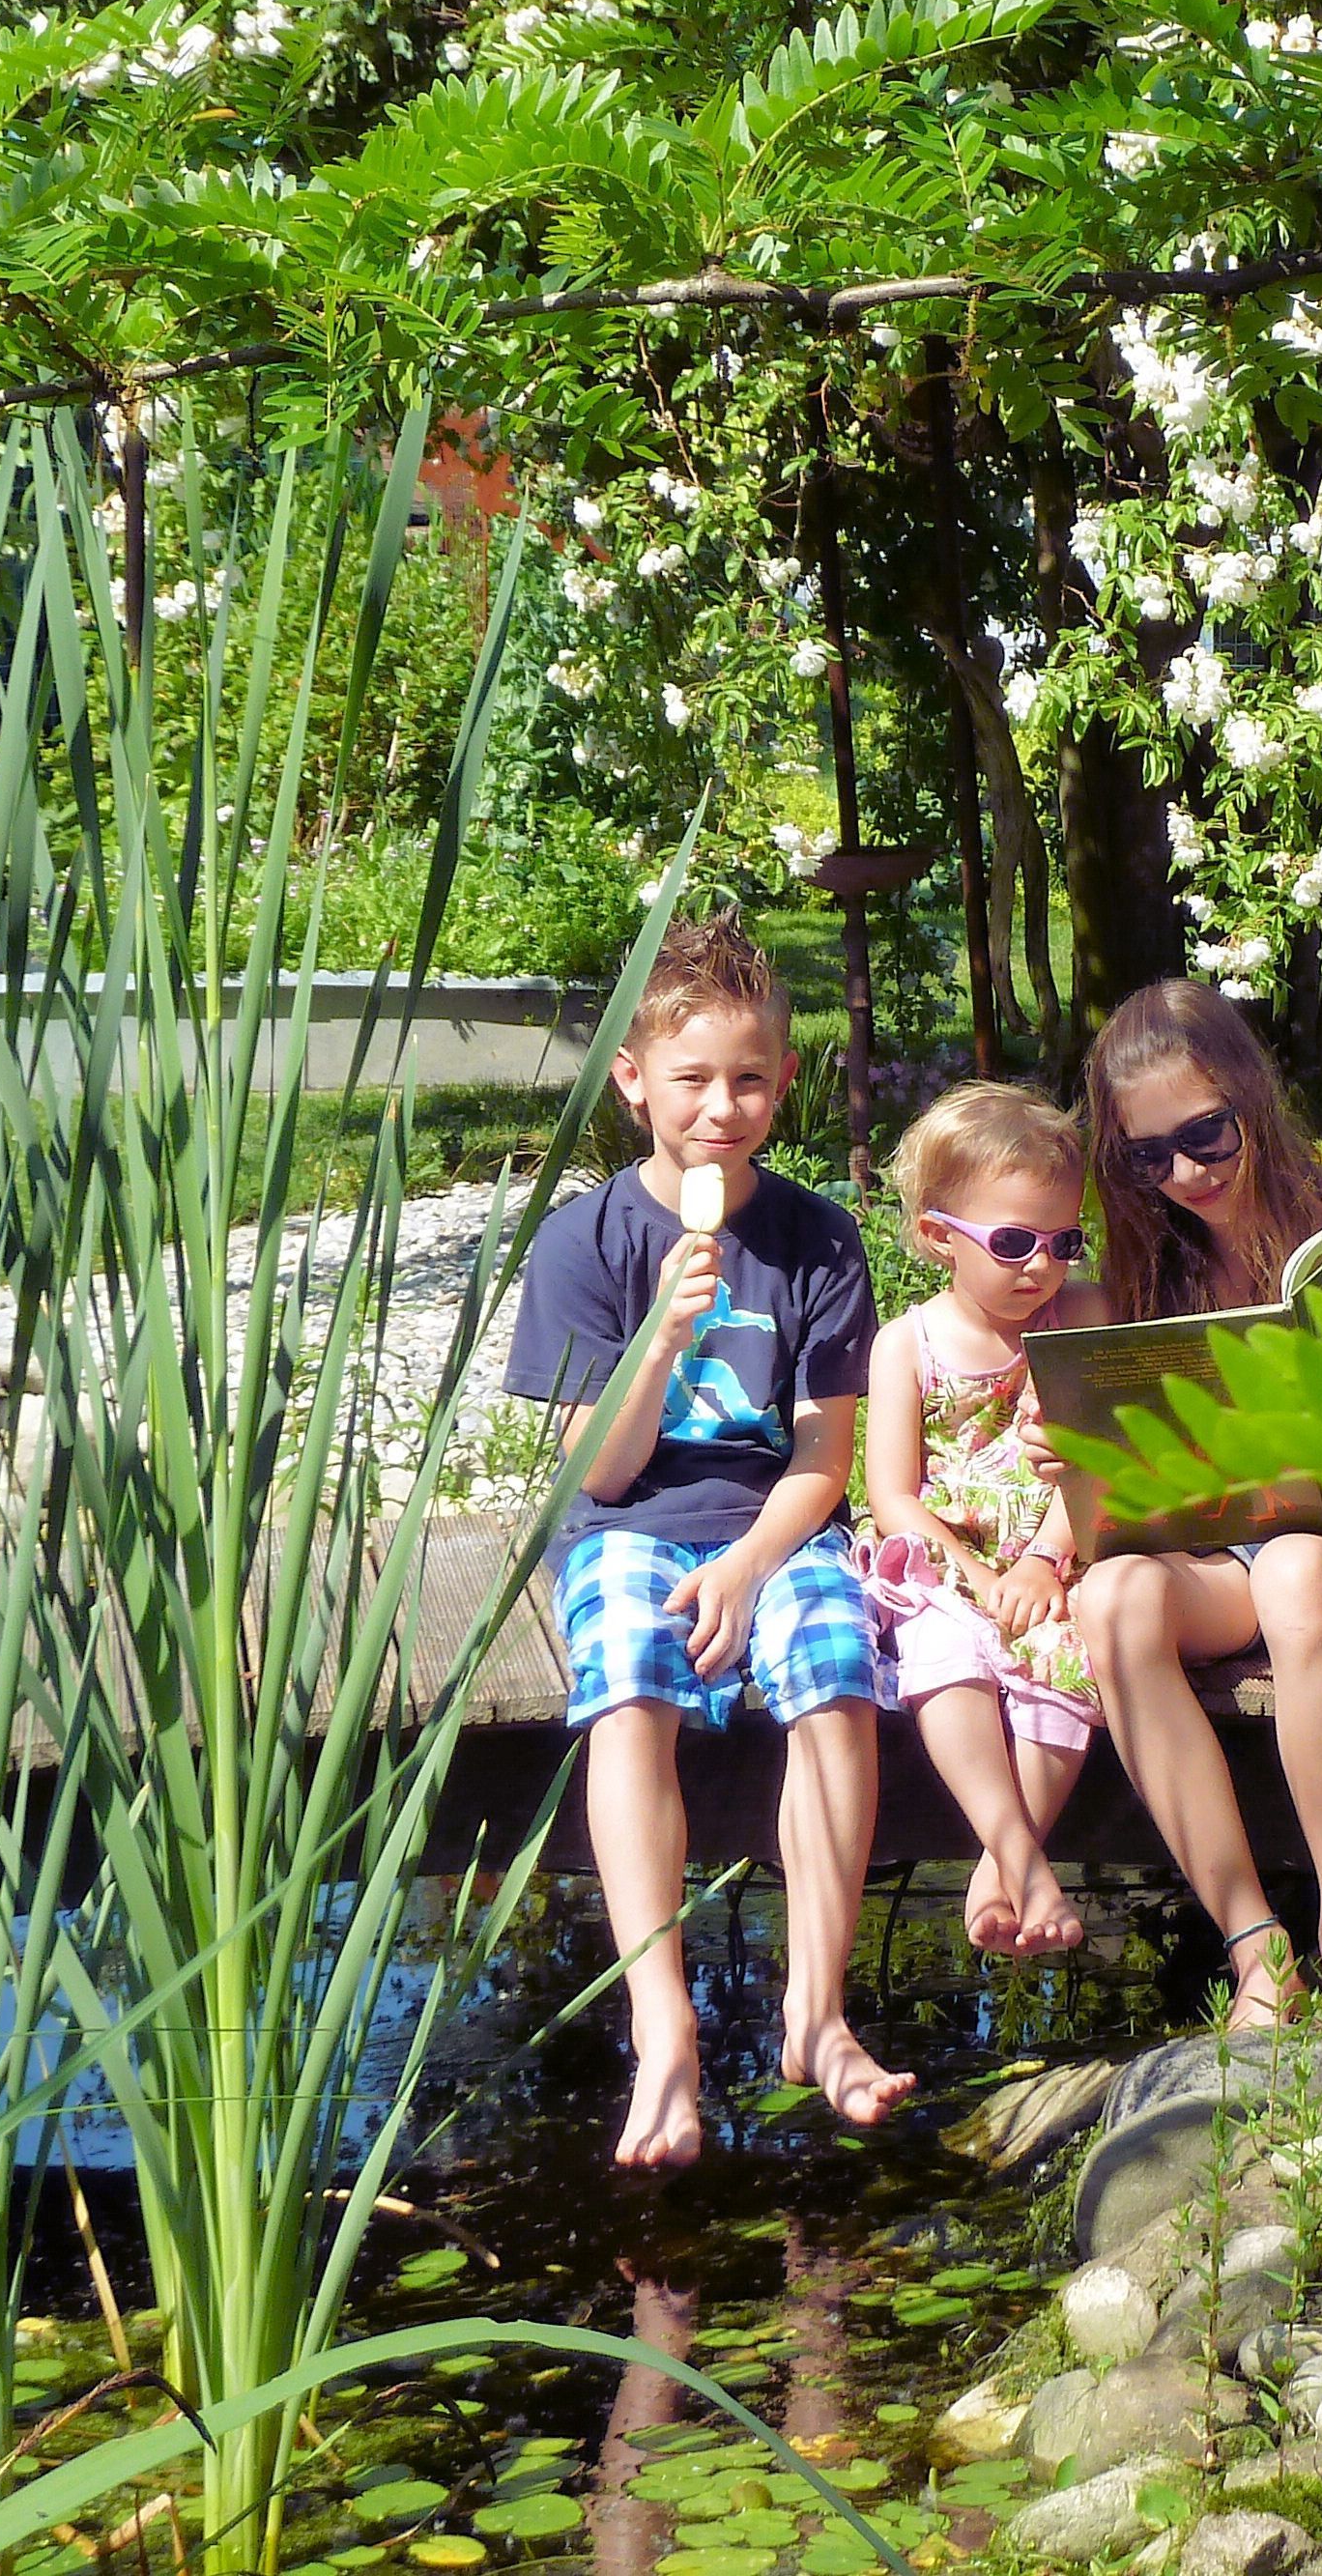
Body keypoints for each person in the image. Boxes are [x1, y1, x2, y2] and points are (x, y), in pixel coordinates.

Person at [504, 912, 914, 2167]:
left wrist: (747, 1567)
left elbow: (824, 1462)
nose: (720, 1109)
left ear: (785, 1080)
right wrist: (661, 1341)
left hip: (774, 1526)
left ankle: (817, 2008)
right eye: (690, 1081)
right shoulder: (585, 1245)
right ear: (635, 1087)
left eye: (748, 1079)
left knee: (838, 1676)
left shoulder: (817, 1240)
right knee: (627, 1692)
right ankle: (663, 2024)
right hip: (627, 1524)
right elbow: (604, 1468)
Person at [1052, 979, 1322, 2033]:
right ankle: (1254, 1944)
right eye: (1144, 1157)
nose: (1183, 1173)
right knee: (1113, 1600)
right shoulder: (1151, 1259)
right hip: (1217, 1549)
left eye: (1206, 1135)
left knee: (1300, 1569)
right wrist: (1077, 1456)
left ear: (1251, 1095)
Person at [858, 1082, 1105, 1959]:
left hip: (1056, 1553)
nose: (1042, 1266)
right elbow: (895, 1495)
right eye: (1012, 1243)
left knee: (1069, 1658)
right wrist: (978, 1576)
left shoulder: (1079, 1320)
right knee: (944, 1644)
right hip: (949, 1562)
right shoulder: (907, 1344)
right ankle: (1022, 1861)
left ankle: (1002, 1866)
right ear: (938, 1238)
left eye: (1063, 1241)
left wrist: (1043, 1561)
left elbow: (1099, 1456)